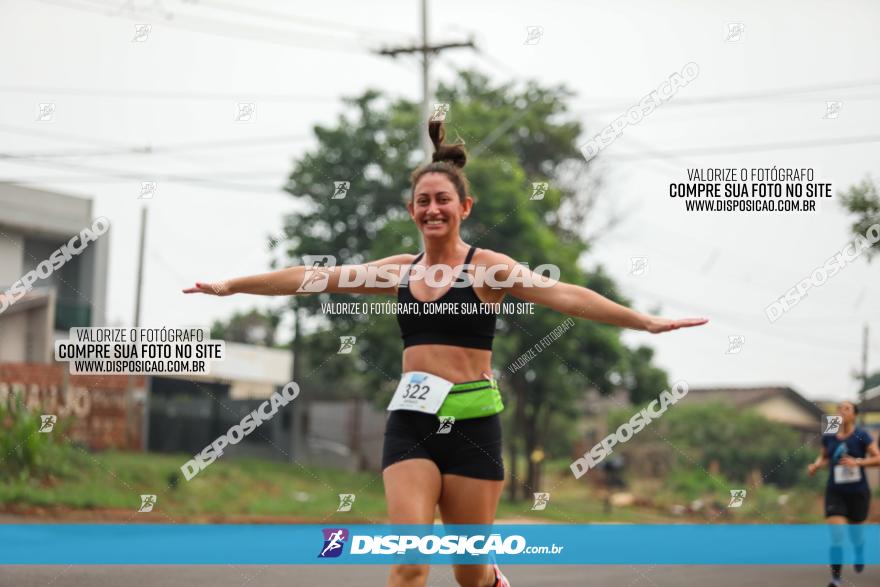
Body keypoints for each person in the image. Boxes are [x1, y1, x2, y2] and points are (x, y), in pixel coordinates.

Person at [184, 119, 708, 587]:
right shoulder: (398, 271)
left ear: (464, 208)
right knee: (410, 563)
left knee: (468, 572)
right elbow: (310, 277)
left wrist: (643, 320)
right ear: (412, 210)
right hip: (410, 424)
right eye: (423, 201)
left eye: (443, 200)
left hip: (474, 428)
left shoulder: (487, 268)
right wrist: (233, 285)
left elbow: (566, 295)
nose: (433, 209)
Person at [808, 400, 880, 587]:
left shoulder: (862, 435)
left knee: (856, 535)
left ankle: (859, 550)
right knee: (837, 534)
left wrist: (858, 462)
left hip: (858, 492)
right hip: (835, 491)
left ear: (854, 415)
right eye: (839, 408)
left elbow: (877, 458)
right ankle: (836, 578)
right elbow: (824, 457)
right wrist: (816, 465)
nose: (842, 411)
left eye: (846, 408)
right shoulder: (830, 435)